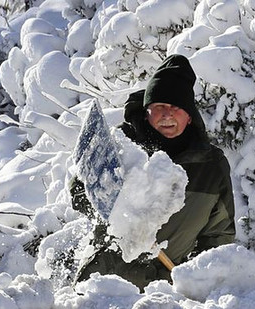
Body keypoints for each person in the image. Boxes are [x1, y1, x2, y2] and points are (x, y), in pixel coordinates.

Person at [71, 54, 236, 289]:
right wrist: (121, 213)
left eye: (176, 107)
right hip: (104, 280)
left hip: (164, 291)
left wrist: (203, 282)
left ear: (189, 116)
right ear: (147, 111)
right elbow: (80, 193)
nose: (167, 114)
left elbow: (218, 234)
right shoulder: (121, 145)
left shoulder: (210, 165)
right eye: (159, 106)